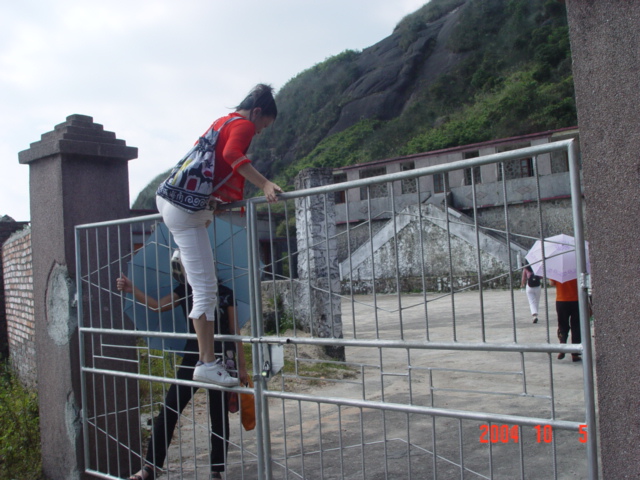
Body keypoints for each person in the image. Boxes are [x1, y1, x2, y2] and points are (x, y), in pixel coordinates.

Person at [155, 83, 282, 386]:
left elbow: (207, 164)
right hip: (184, 211)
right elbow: (232, 154)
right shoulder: (243, 125)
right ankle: (207, 363)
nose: (258, 132)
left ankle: (184, 256)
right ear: (257, 112)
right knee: (205, 289)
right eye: (263, 126)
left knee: (202, 281)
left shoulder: (221, 122)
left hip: (171, 198)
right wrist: (265, 184)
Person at [117, 266, 248, 480]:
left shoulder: (225, 293)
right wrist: (132, 289)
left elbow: (234, 331)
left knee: (218, 416)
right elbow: (158, 306)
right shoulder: (186, 290)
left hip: (223, 358)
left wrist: (242, 367)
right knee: (170, 408)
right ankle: (150, 467)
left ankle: (216, 471)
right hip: (193, 355)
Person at [550, 278, 581, 362]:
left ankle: (562, 346)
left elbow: (552, 283)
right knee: (576, 326)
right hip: (576, 300)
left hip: (561, 300)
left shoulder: (557, 271)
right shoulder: (577, 271)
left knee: (562, 325)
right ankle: (575, 353)